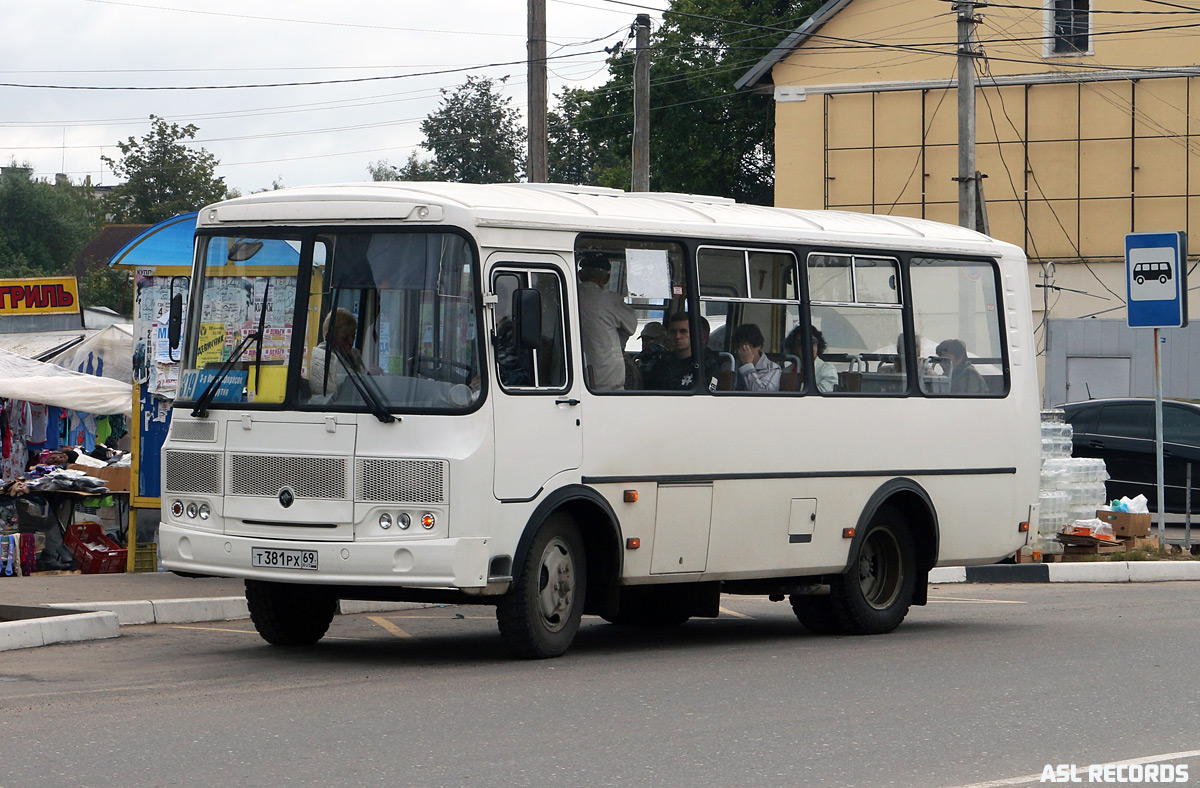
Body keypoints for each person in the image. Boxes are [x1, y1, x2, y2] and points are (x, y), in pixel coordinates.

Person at [576, 252, 637, 391]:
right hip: (607, 382)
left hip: (574, 376)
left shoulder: (568, 296)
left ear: (580, 276)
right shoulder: (611, 300)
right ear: (607, 278)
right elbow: (631, 326)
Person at [644, 312, 721, 391]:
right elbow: (651, 391)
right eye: (673, 332)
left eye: (683, 331)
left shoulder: (708, 364)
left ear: (696, 334)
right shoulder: (663, 363)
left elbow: (707, 395)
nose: (677, 336)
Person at [308, 308, 363, 397]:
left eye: (353, 336)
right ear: (330, 337)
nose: (351, 342)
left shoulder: (352, 356)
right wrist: (368, 376)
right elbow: (350, 382)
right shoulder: (323, 358)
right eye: (345, 338)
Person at [785, 326, 837, 393]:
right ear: (794, 348)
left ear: (818, 345)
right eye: (801, 343)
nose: (807, 347)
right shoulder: (786, 371)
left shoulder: (828, 370)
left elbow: (822, 394)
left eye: (813, 342)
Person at [731, 323, 780, 392]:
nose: (740, 352)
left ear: (758, 345)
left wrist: (747, 366)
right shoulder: (730, 365)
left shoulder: (772, 369)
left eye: (745, 348)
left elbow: (763, 394)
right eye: (738, 347)